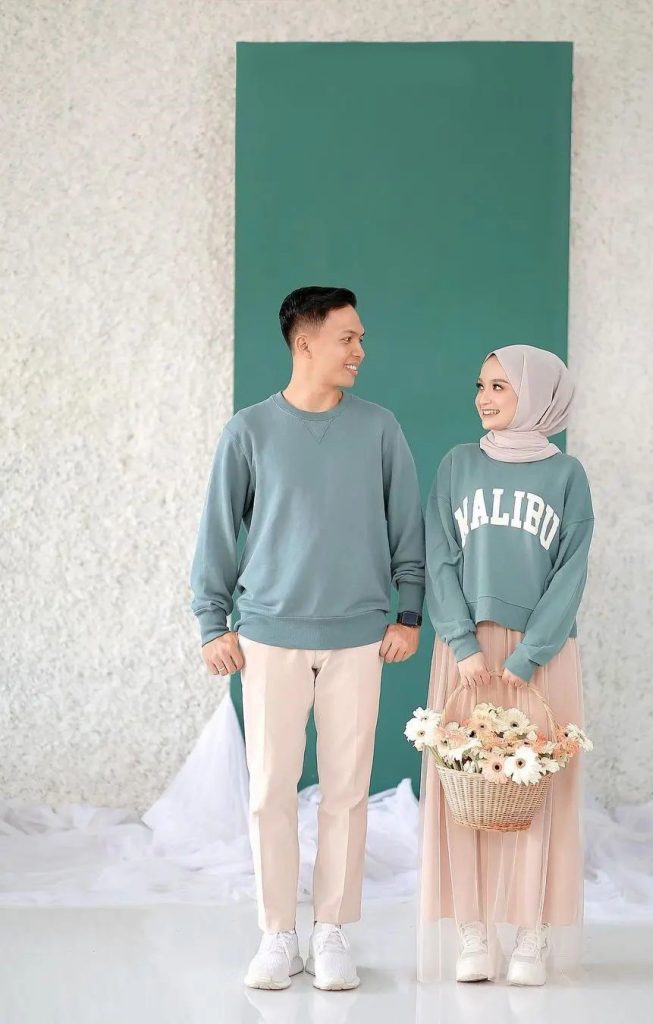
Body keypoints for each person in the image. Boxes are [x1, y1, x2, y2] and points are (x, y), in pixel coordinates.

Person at [189, 286, 425, 992]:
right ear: (305, 342)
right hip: (268, 636)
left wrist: (409, 613)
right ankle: (277, 935)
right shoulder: (249, 431)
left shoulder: (379, 429)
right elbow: (217, 534)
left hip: (359, 638)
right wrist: (212, 624)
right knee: (271, 791)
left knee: (347, 791)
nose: (360, 350)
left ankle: (331, 931)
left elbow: (407, 527)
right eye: (347, 338)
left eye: (360, 338)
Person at [417, 344, 593, 986]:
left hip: (542, 654)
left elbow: (571, 570)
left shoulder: (567, 475)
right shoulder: (458, 465)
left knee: (537, 790)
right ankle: (473, 930)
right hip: (466, 652)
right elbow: (439, 556)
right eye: (480, 385)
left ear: (537, 394)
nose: (483, 397)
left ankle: (531, 935)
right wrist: (462, 644)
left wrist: (529, 654)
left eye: (499, 386)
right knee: (466, 788)